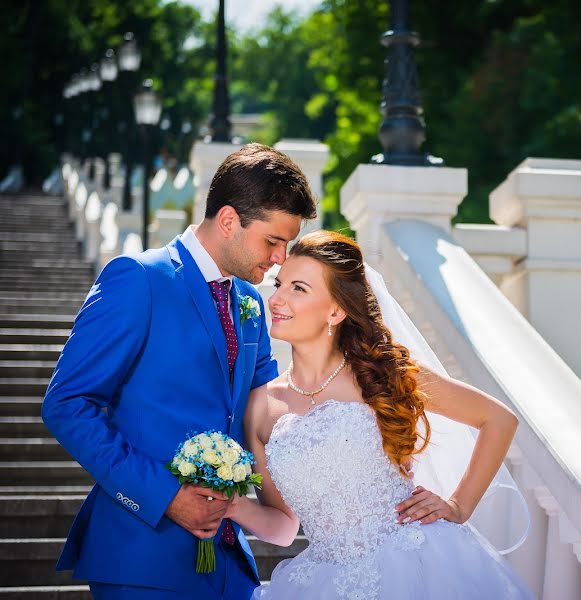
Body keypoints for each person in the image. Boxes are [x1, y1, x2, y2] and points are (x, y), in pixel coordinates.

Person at [41, 143, 317, 599]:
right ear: (228, 220)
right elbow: (67, 405)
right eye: (272, 240)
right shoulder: (137, 278)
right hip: (141, 558)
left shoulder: (250, 305)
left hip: (230, 567)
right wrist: (165, 496)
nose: (280, 258)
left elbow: (269, 413)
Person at [229, 230, 535, 599]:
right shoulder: (261, 406)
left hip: (416, 565)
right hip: (321, 580)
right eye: (279, 285)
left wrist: (458, 505)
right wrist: (231, 507)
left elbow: (499, 419)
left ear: (336, 311)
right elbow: (282, 527)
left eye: (298, 288)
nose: (275, 299)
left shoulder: (382, 374)